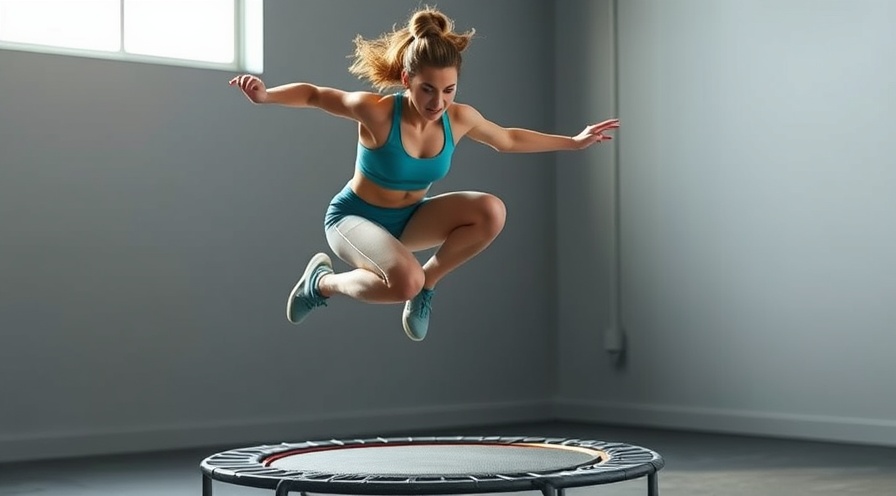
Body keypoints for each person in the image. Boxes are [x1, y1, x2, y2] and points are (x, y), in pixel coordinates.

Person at [229, 6, 619, 342]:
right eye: (428, 89)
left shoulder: (459, 118)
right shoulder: (378, 111)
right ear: (407, 81)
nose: (439, 101)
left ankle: (428, 283)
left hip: (409, 220)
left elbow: (509, 140)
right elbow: (316, 95)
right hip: (354, 219)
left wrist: (574, 141)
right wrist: (266, 96)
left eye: (449, 90)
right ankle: (322, 284)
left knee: (491, 211)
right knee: (404, 282)